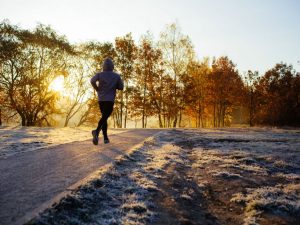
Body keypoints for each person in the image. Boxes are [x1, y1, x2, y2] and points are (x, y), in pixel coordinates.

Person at [90, 58, 124, 145]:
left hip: (101, 99)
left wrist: (97, 89)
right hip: (109, 100)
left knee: (104, 117)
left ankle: (105, 138)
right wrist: (115, 84)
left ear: (103, 66)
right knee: (104, 117)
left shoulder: (99, 74)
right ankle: (96, 132)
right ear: (112, 66)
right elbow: (121, 87)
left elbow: (92, 81)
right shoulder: (116, 76)